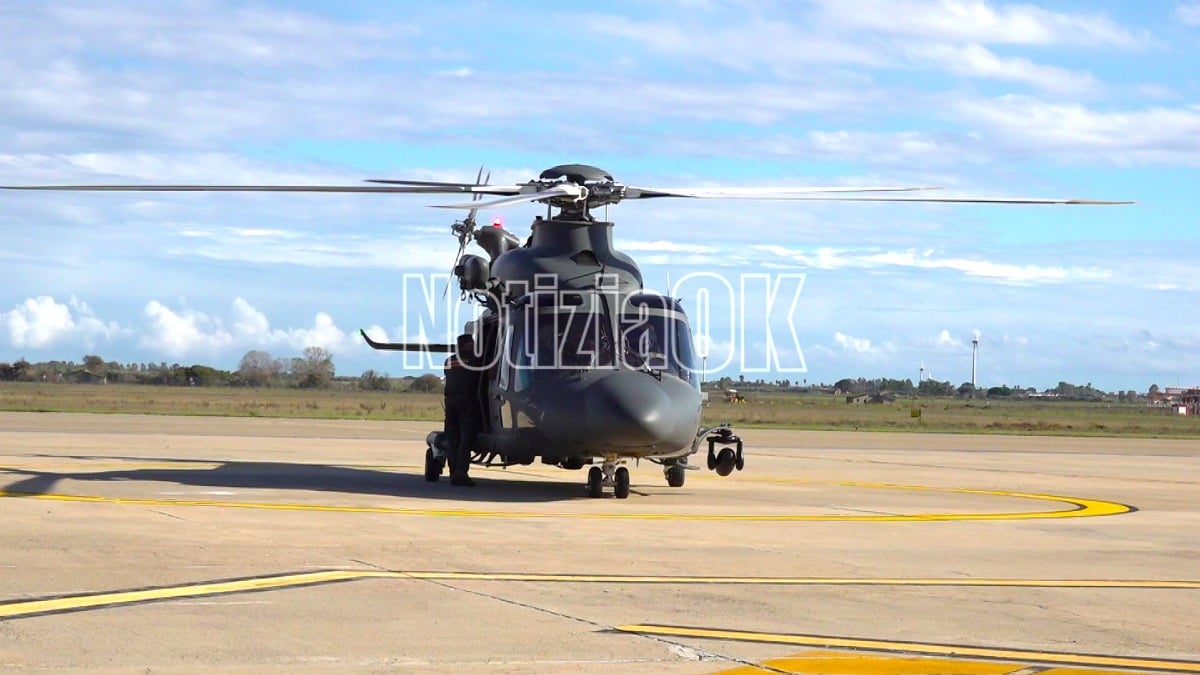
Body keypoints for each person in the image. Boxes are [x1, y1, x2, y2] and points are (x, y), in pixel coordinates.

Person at [443, 334, 483, 487]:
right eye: (471, 343)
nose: (473, 346)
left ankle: (453, 472)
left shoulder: (449, 360)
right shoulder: (473, 359)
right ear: (466, 345)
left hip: (450, 401)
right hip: (465, 401)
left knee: (453, 437)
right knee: (466, 437)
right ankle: (461, 472)